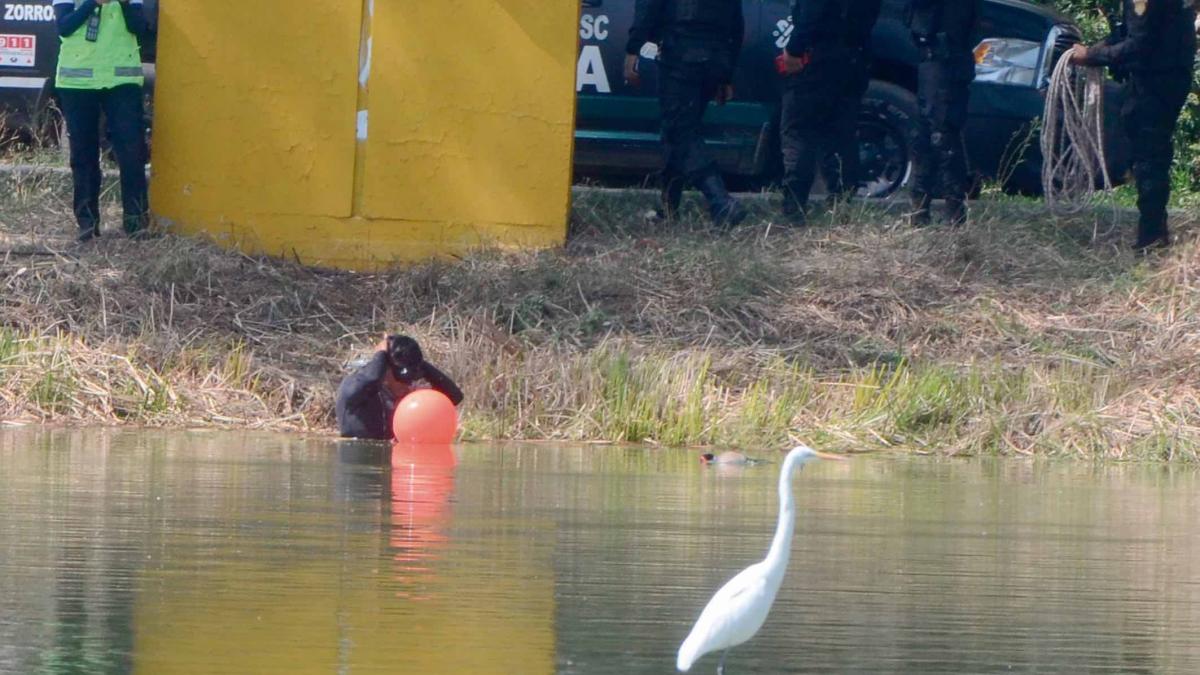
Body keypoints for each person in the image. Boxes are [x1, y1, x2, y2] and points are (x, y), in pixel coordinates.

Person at [1071, 0, 1197, 251]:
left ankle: (1151, 239)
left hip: (1155, 83)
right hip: (1166, 78)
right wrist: (1101, 47)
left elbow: (1139, 45)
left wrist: (1091, 56)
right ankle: (1153, 233)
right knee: (1147, 152)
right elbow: (1131, 33)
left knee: (1149, 158)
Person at [624, 0, 748, 228]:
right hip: (715, 59)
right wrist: (726, 74)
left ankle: (721, 201)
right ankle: (669, 208)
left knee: (681, 132)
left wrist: (633, 49)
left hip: (681, 57)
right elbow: (737, 24)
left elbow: (647, 9)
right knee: (678, 132)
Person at [777, 0, 883, 225]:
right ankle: (841, 206)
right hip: (855, 60)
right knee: (841, 134)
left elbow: (812, 13)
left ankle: (794, 209)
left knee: (798, 132)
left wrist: (794, 49)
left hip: (817, 59)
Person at [53, 0, 150, 242]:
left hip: (122, 82)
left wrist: (125, 4)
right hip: (77, 82)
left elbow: (140, 28)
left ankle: (136, 223)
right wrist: (92, 3)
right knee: (83, 154)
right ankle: (87, 225)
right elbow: (64, 27)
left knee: (132, 151)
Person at [905, 0, 981, 226]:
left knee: (942, 135)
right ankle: (920, 213)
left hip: (944, 58)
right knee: (927, 136)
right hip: (937, 58)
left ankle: (954, 215)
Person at [336, 335, 464, 441]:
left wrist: (420, 365)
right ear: (385, 369)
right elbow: (372, 378)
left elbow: (455, 397)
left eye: (413, 377)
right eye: (403, 377)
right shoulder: (355, 387)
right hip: (359, 466)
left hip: (390, 464)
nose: (408, 384)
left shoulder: (403, 400)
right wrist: (381, 354)